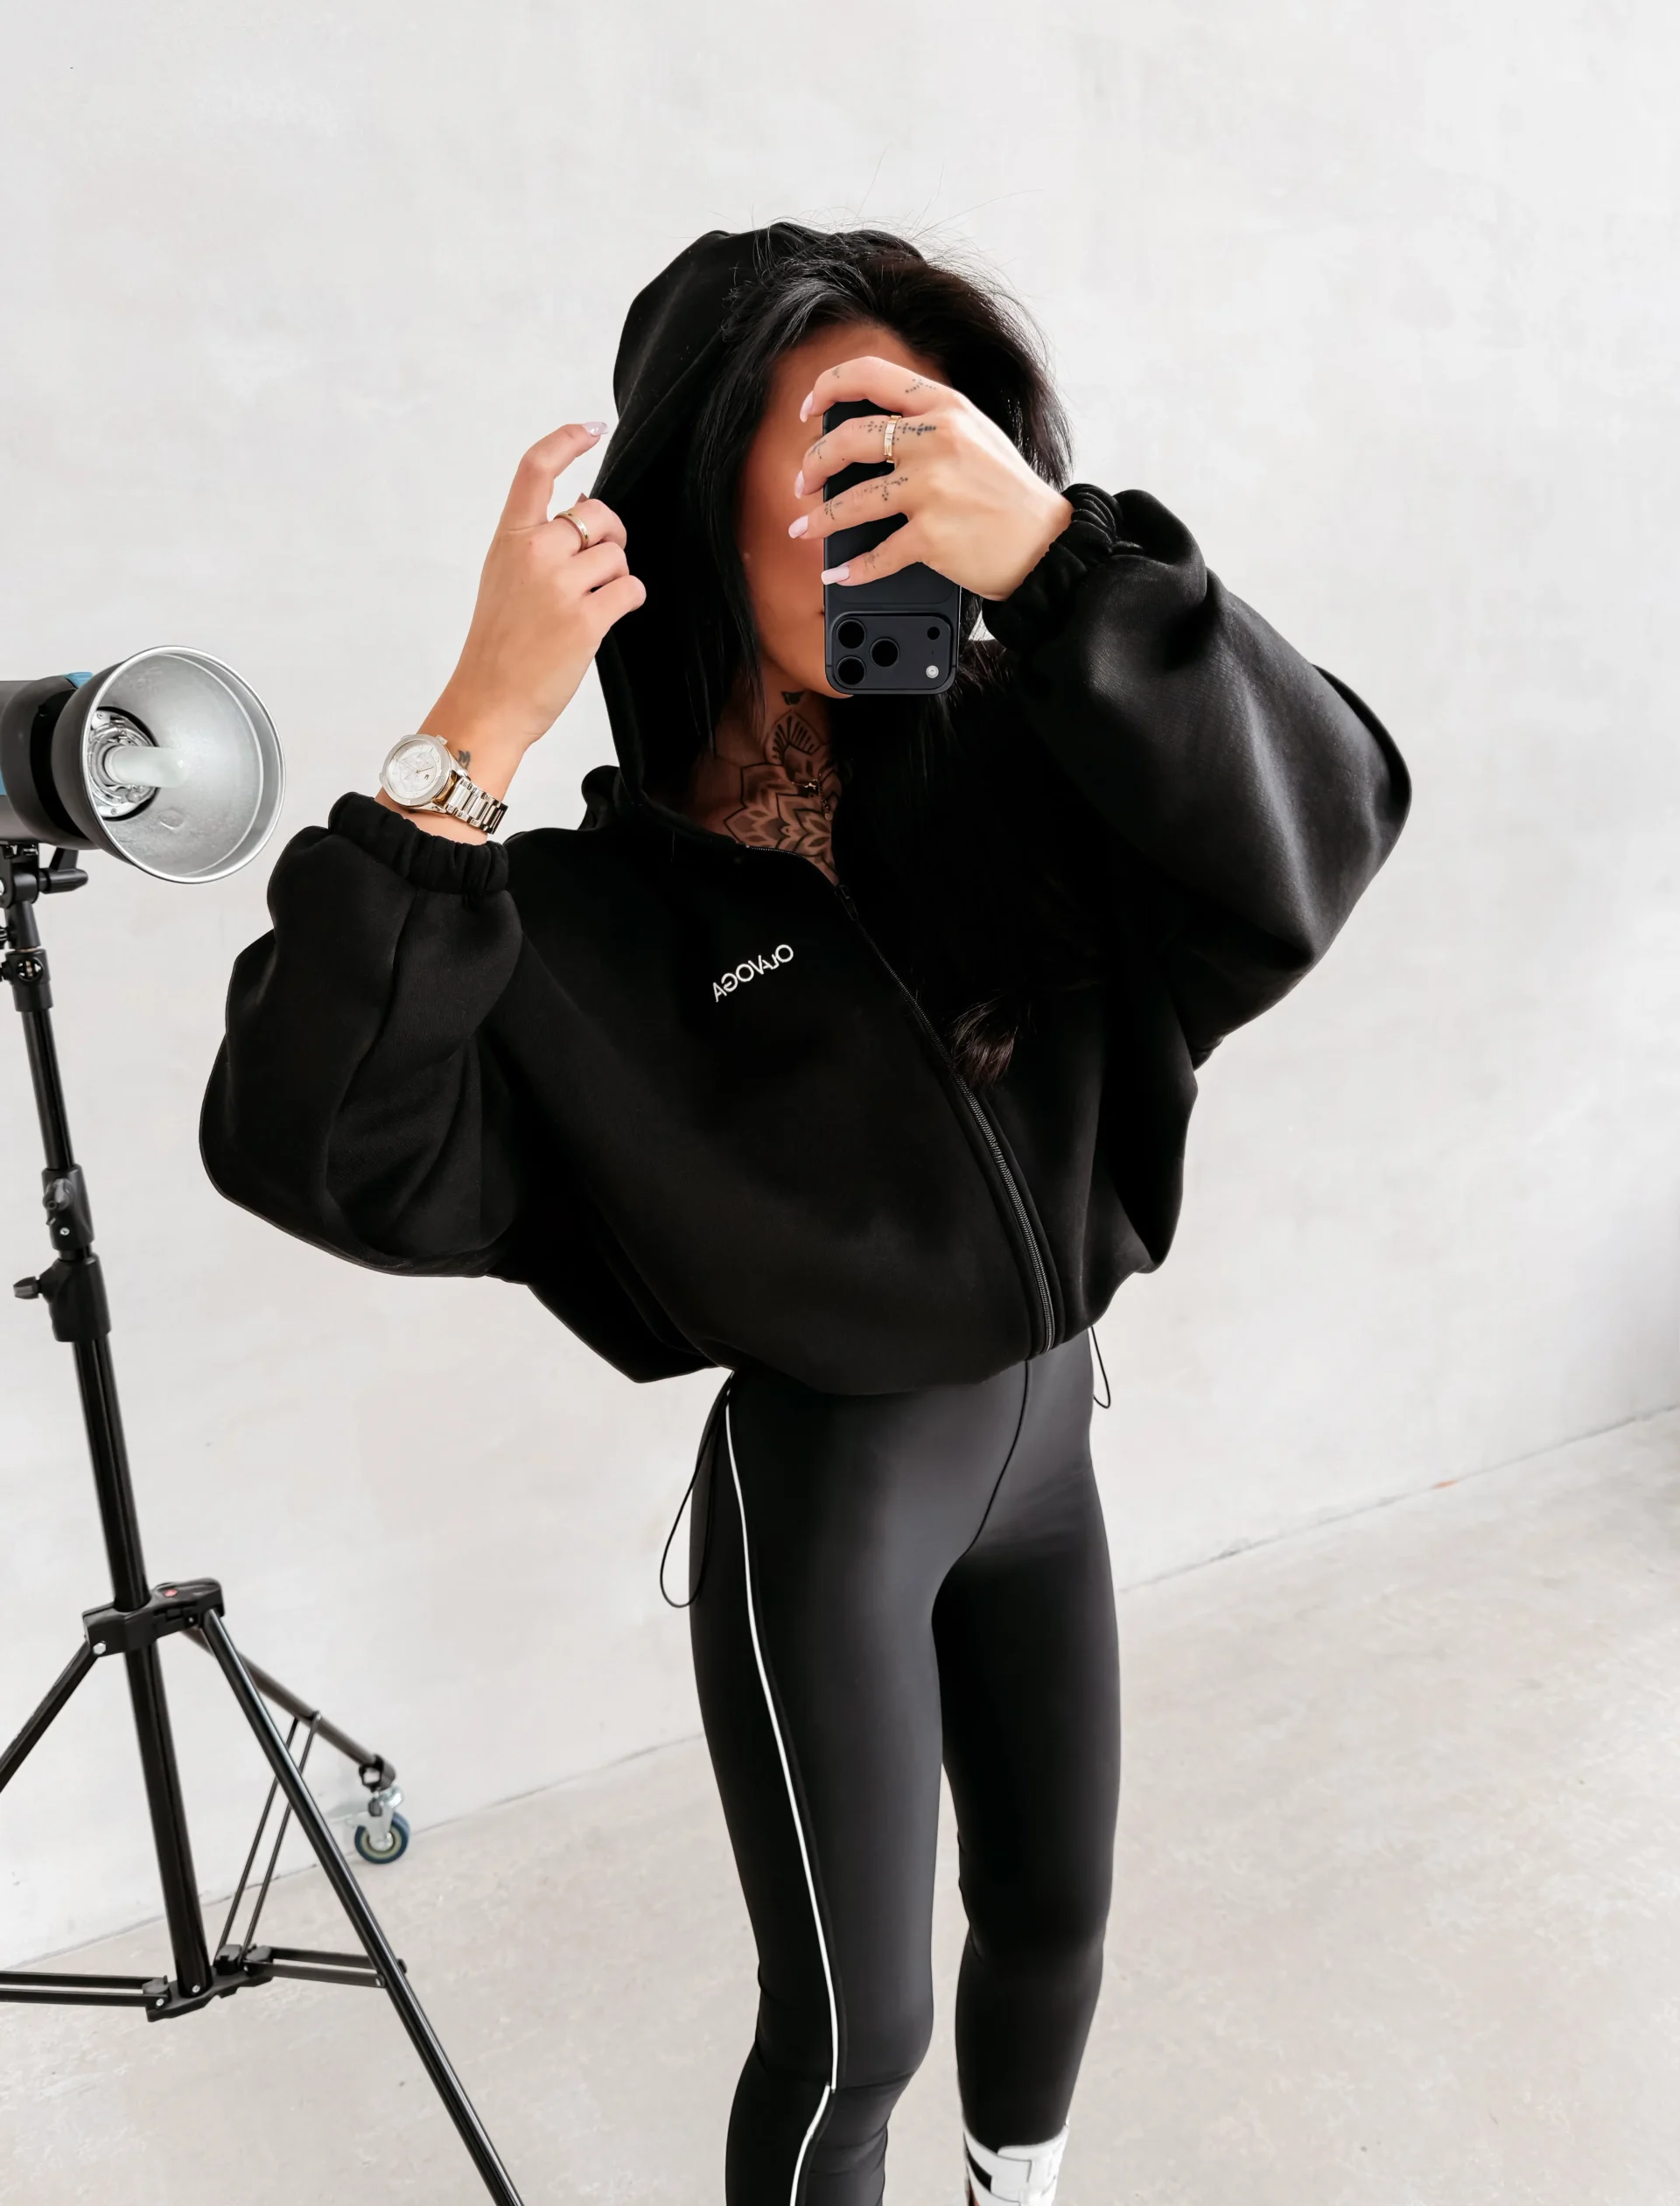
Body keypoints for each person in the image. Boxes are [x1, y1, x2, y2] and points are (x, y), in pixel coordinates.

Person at [200, 223, 1409, 2206]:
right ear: (695, 506)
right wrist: (475, 731)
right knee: (857, 2030)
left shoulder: (1030, 760)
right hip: (835, 1494)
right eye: (846, 459)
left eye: (934, 457)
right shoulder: (580, 930)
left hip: (1049, 1450)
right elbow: (304, 1142)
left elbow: (1326, 817)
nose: (897, 517)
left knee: (1058, 1922)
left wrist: (1069, 565)